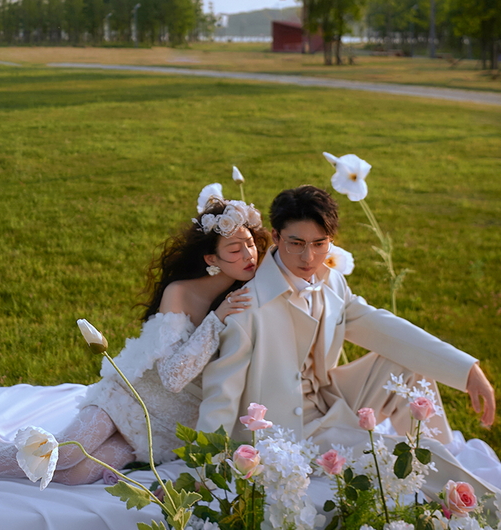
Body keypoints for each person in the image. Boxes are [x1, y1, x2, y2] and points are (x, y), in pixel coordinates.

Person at [0, 185, 272, 484]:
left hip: (166, 425)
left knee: (74, 475)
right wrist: (215, 320)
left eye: (250, 244)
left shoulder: (250, 291)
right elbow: (172, 376)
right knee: (66, 454)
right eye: (235, 249)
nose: (249, 255)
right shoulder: (180, 293)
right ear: (212, 259)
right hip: (133, 397)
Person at [198, 184, 496, 453]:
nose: (308, 258)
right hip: (287, 431)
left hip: (331, 398)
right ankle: (435, 473)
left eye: (319, 244)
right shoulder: (247, 306)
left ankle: (441, 454)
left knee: (410, 368)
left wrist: (466, 369)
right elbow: (222, 394)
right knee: (386, 463)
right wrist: (207, 467)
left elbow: (384, 328)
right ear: (276, 236)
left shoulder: (331, 282)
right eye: (296, 243)